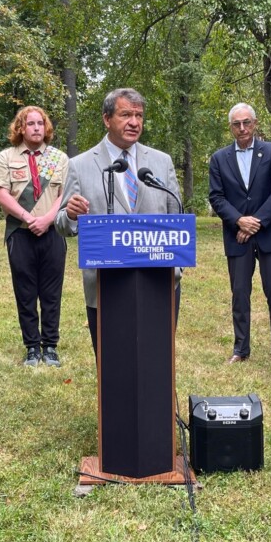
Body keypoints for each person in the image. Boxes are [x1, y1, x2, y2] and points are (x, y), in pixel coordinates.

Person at [55, 87, 182, 352]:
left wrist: (177, 264)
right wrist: (70, 215)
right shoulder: (80, 165)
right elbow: (62, 225)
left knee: (157, 360)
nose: (134, 122)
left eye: (139, 116)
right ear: (106, 119)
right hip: (106, 285)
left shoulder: (161, 162)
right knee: (113, 365)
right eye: (126, 115)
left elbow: (176, 216)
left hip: (158, 281)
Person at [208, 103, 271, 367]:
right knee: (239, 293)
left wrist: (255, 222)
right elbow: (217, 197)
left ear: (255, 123)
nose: (242, 128)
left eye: (246, 122)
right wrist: (239, 222)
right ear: (230, 127)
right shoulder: (219, 158)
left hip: (270, 233)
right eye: (236, 124)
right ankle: (241, 349)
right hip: (237, 235)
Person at [0, 106, 69, 367]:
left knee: (51, 293)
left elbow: (64, 196)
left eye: (40, 123)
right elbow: (0, 194)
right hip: (20, 234)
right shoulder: (5, 157)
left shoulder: (60, 159)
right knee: (25, 292)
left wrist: (46, 220)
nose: (36, 128)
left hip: (53, 232)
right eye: (30, 124)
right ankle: (32, 347)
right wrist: (28, 218)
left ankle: (51, 346)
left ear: (46, 128)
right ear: (20, 128)